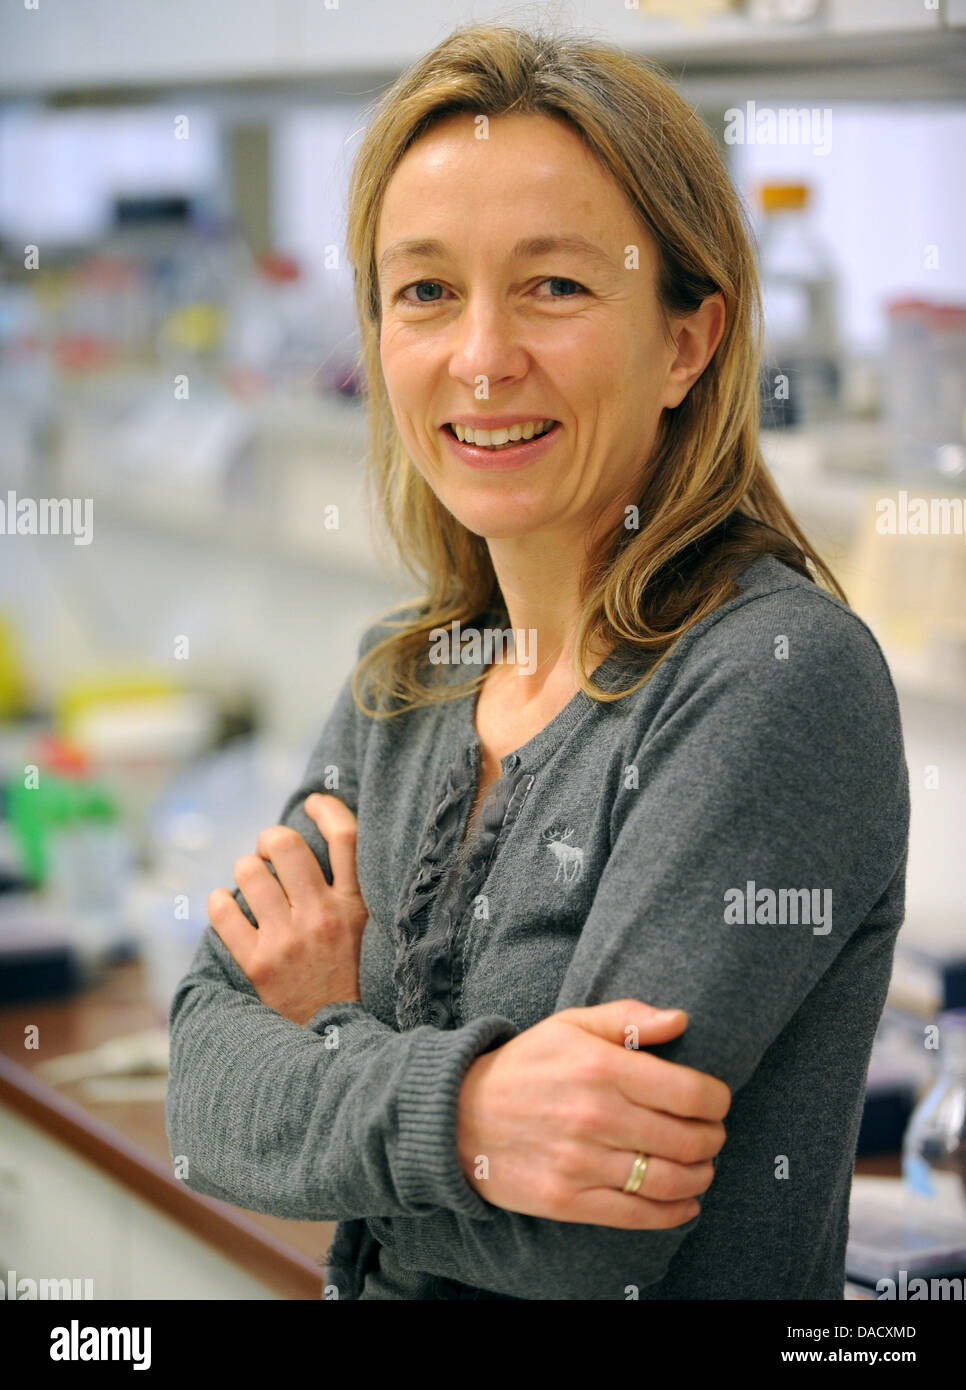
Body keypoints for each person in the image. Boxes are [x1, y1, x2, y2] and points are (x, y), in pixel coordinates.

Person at [165, 23, 909, 1300]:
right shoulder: (404, 680)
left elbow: (585, 1239)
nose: (480, 356)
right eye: (426, 290)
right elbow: (198, 1094)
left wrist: (325, 1055)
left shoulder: (774, 679)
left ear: (689, 341)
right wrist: (470, 1122)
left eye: (555, 286)